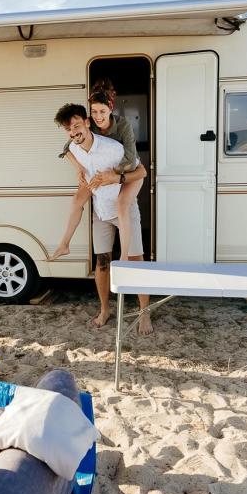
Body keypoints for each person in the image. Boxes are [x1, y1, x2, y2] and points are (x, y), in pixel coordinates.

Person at [53, 102, 153, 334]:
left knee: (136, 262)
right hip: (101, 212)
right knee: (102, 262)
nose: (74, 132)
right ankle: (105, 309)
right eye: (69, 129)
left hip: (124, 210)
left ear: (87, 123)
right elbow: (68, 151)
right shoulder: (75, 148)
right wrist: (77, 168)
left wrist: (114, 178)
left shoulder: (112, 148)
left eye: (77, 126)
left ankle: (144, 313)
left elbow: (140, 172)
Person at [50, 79, 145, 262]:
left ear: (111, 109)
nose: (98, 116)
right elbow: (68, 148)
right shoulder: (86, 126)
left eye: (102, 111)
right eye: (94, 112)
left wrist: (110, 175)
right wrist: (79, 168)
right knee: (77, 200)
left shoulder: (122, 127)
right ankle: (65, 244)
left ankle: (124, 257)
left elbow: (133, 164)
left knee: (122, 206)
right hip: (99, 173)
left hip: (127, 171)